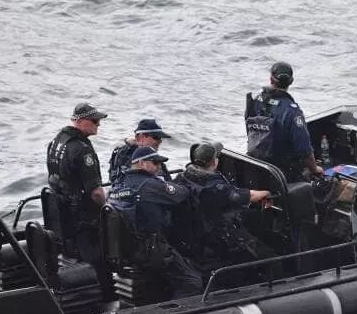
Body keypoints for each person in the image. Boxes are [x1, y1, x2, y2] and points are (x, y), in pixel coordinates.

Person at [108, 146, 202, 299]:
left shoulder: (118, 184)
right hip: (151, 249)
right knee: (192, 282)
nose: (159, 167)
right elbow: (181, 194)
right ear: (141, 163)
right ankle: (180, 311)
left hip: (128, 250)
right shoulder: (148, 184)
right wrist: (184, 181)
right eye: (155, 163)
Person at [177, 142, 277, 281]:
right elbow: (246, 195)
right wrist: (267, 193)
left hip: (197, 230)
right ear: (214, 162)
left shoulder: (183, 177)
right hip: (218, 235)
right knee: (271, 258)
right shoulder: (216, 188)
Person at [46, 102, 115, 303]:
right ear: (81, 121)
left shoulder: (56, 142)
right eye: (94, 121)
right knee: (99, 259)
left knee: (74, 253)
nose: (98, 125)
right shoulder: (82, 149)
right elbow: (96, 192)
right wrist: (107, 209)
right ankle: (106, 299)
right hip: (82, 217)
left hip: (61, 214)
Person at [244, 61, 324, 181]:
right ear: (291, 81)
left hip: (256, 166)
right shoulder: (292, 111)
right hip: (283, 172)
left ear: (271, 79)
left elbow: (249, 130)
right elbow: (304, 150)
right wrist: (315, 169)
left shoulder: (256, 101)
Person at [108, 118, 172, 183]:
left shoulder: (155, 159)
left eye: (160, 138)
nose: (160, 141)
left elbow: (170, 183)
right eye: (156, 138)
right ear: (142, 137)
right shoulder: (125, 155)